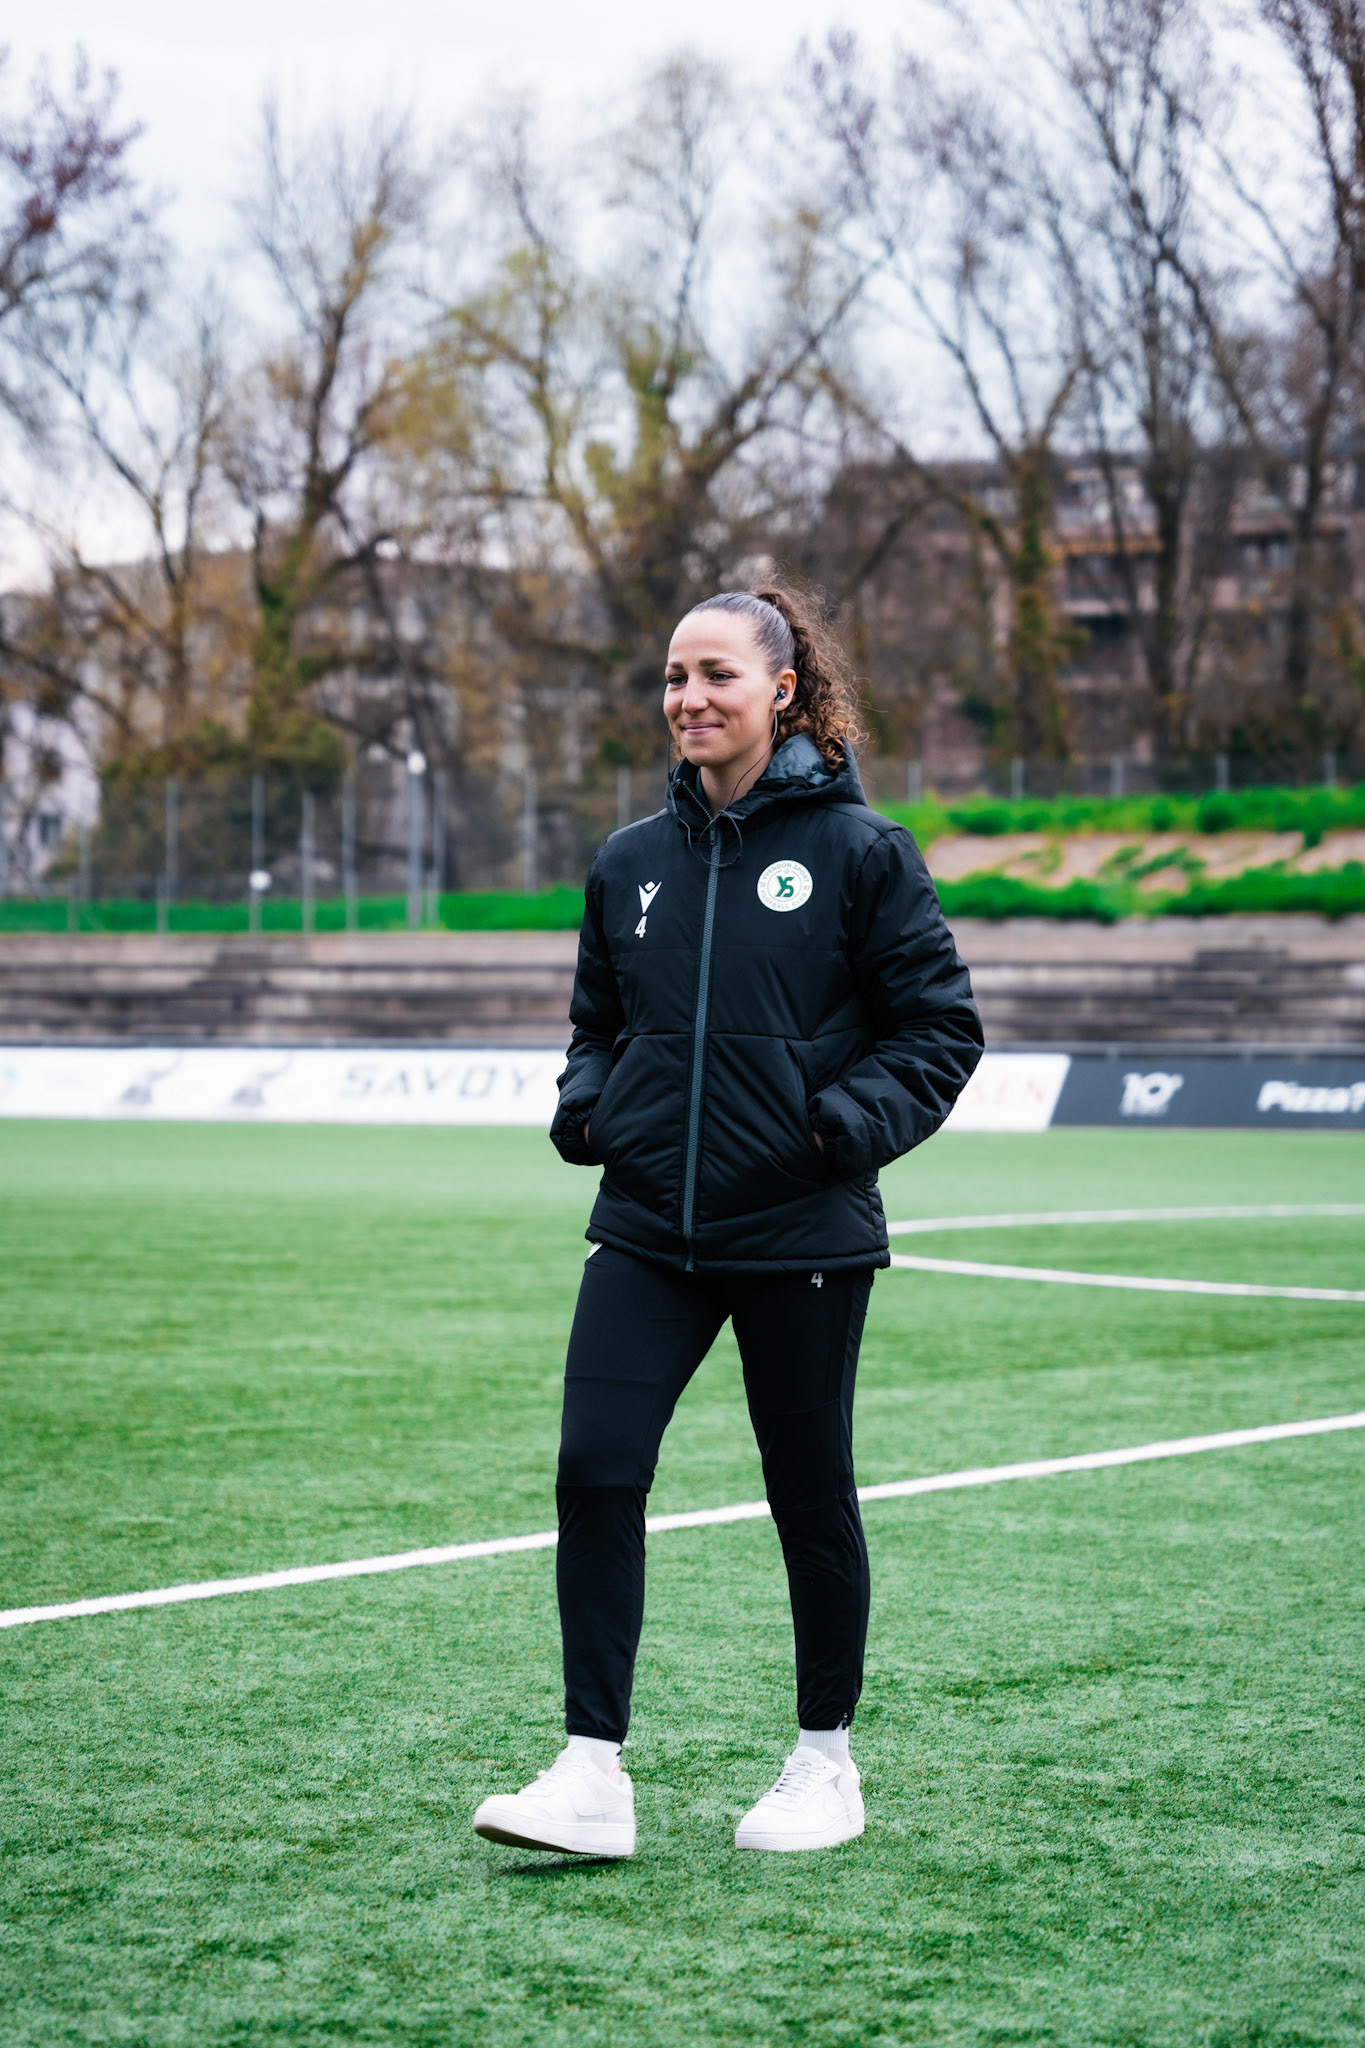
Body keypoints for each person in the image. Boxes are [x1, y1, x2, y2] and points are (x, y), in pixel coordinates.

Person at [472, 585, 983, 1858]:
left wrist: (831, 1132)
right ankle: (592, 1770)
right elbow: (598, 1024)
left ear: (784, 691)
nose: (689, 697)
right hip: (646, 1223)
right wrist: (593, 1108)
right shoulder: (629, 862)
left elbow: (941, 1031)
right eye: (672, 677)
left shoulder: (866, 854)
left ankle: (826, 1763)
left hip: (801, 1233)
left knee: (808, 1495)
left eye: (716, 675)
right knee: (595, 1464)